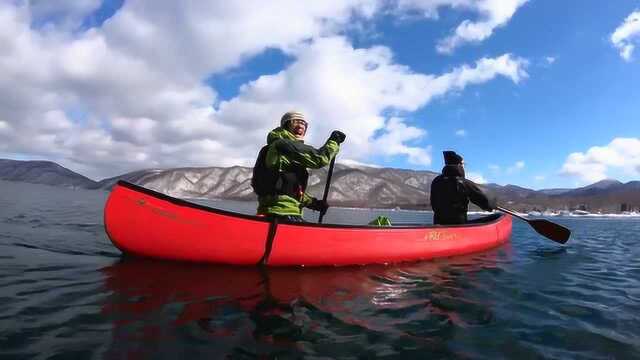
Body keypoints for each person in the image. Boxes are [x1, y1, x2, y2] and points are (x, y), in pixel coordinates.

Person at [252, 111, 346, 222]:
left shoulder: (276, 150)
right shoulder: (283, 145)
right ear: (286, 125)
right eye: (296, 121)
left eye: (304, 123)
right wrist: (334, 142)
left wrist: (313, 203)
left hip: (270, 212)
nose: (301, 125)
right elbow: (319, 159)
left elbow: (287, 190)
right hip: (283, 214)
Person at [430, 151, 496, 225]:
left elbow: (433, 203)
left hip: (438, 224)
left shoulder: (436, 181)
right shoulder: (464, 183)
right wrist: (490, 206)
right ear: (459, 164)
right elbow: (480, 199)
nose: (464, 167)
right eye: (463, 164)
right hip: (458, 224)